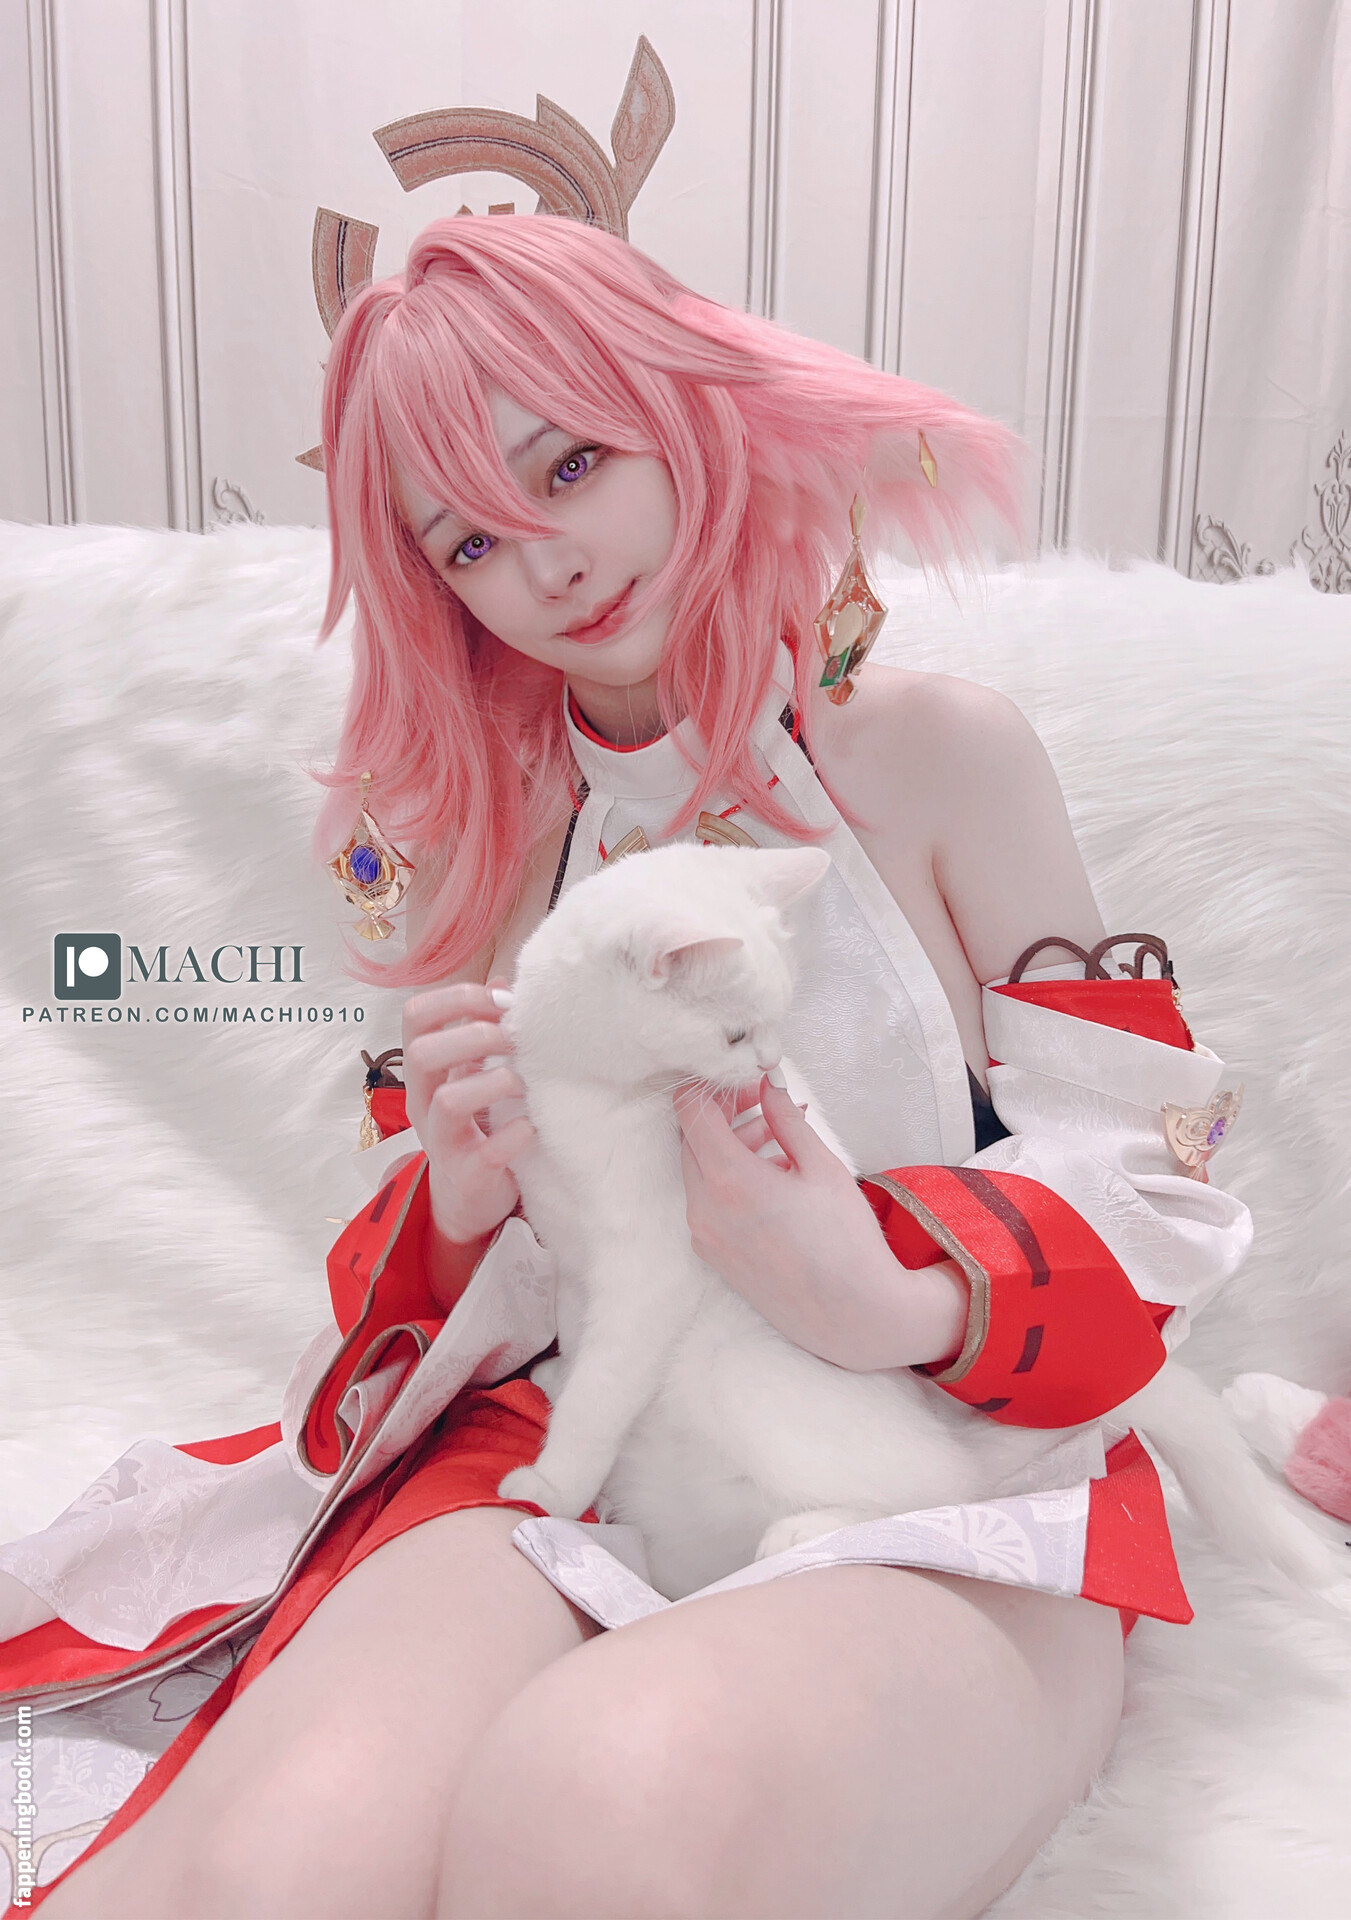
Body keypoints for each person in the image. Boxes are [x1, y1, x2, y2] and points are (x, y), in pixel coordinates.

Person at [12, 215, 1253, 1920]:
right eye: (470, 539)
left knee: (597, 1817)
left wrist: (886, 1296)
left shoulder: (940, 755)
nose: (549, 564)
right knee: (274, 1874)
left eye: (572, 465)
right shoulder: (489, 841)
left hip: (954, 1470)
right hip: (580, 1442)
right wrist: (462, 1200)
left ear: (680, 409)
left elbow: (1152, 1171)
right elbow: (463, 1283)